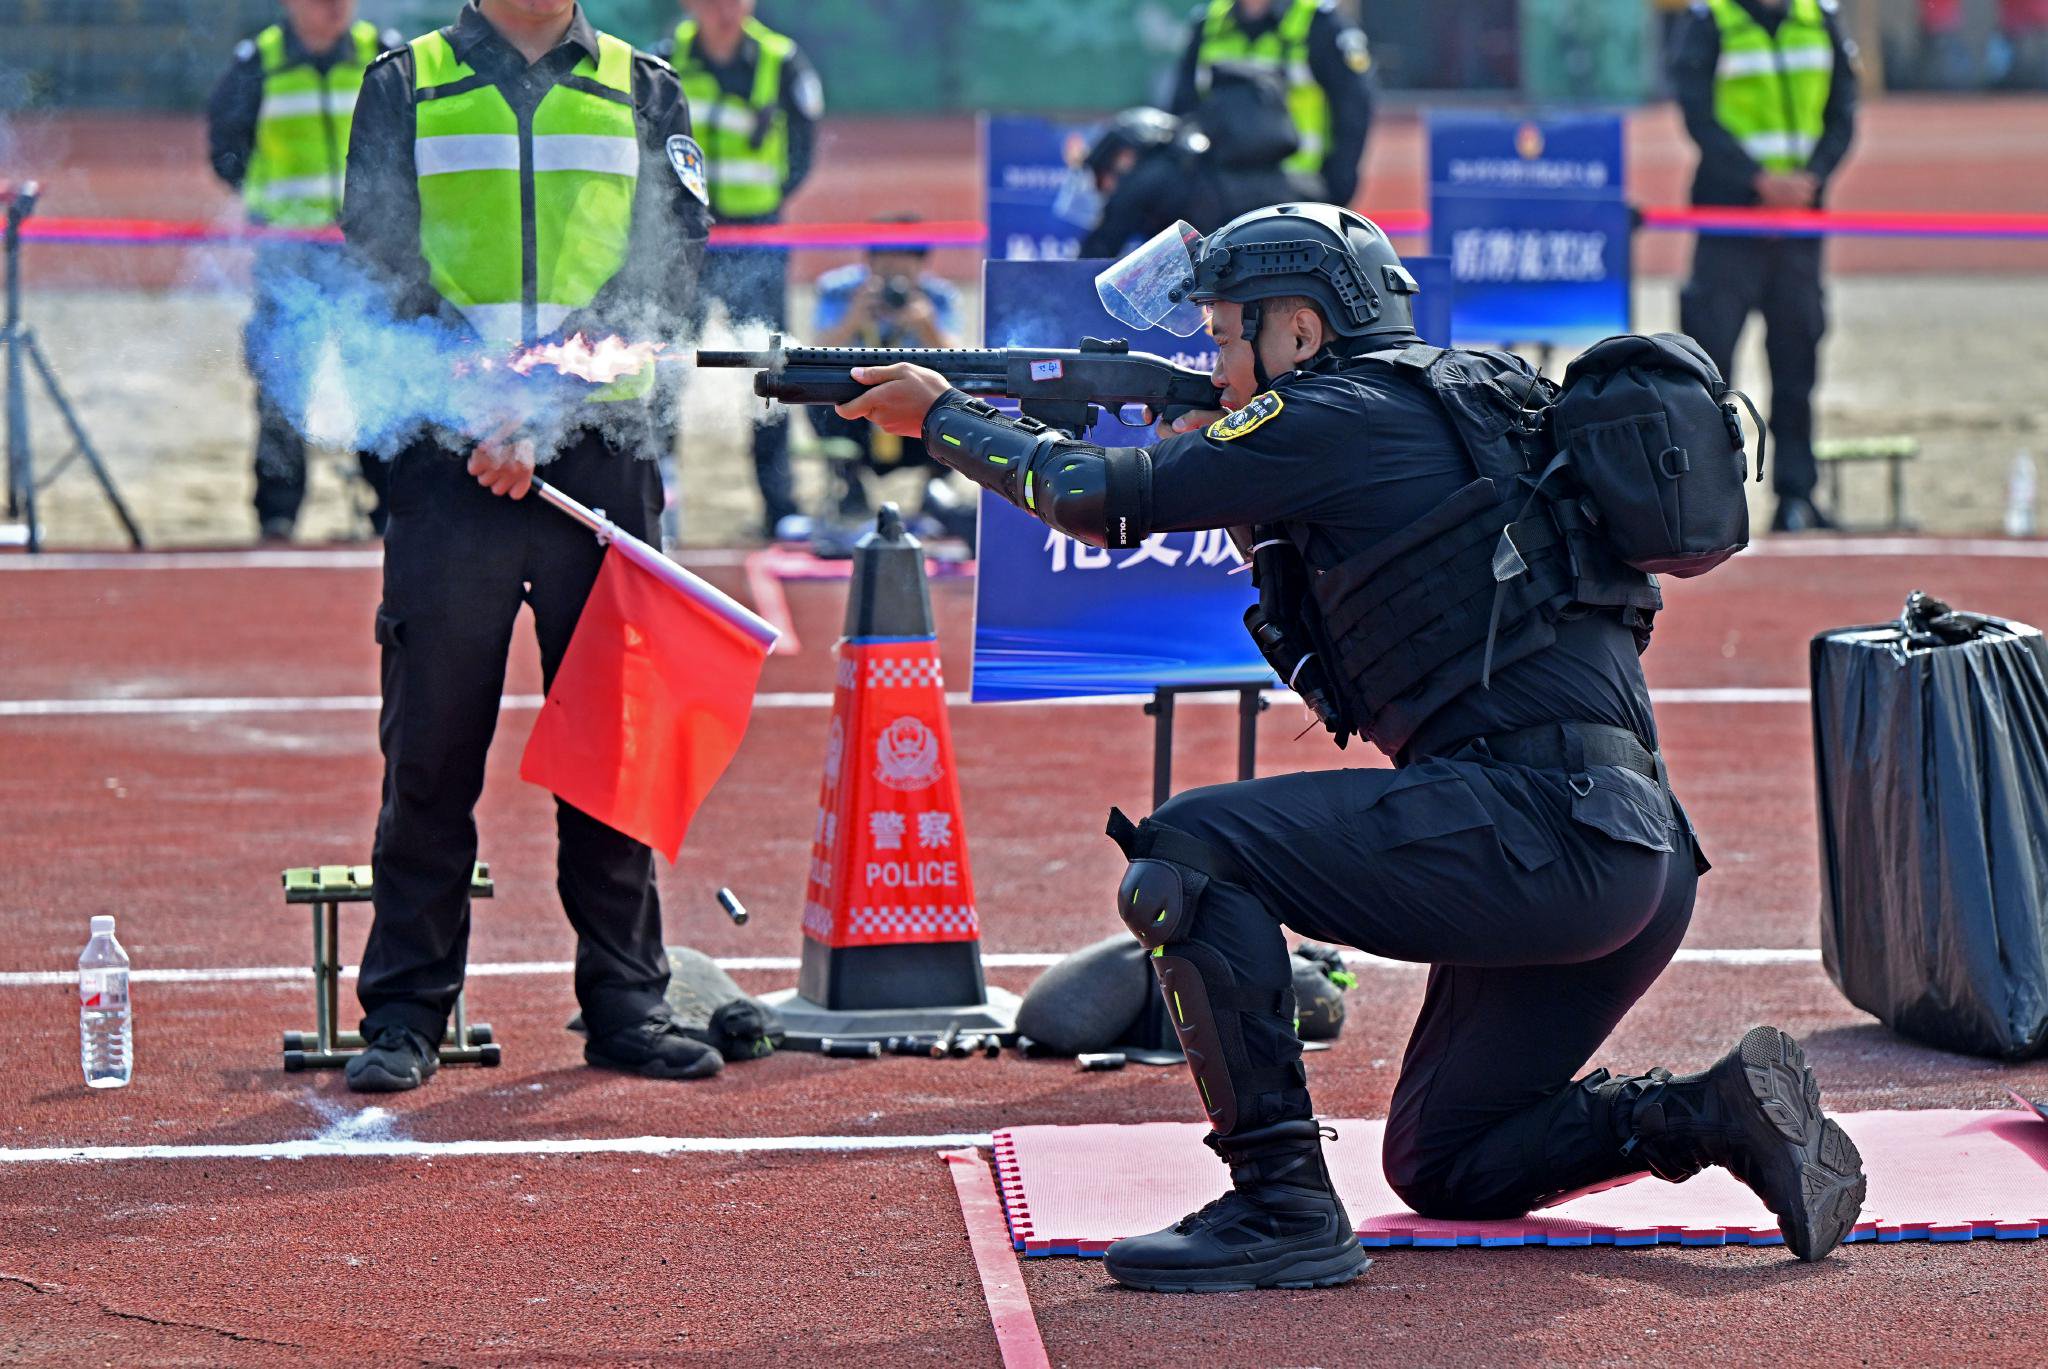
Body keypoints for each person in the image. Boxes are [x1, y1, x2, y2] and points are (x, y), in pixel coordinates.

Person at [836, 204, 1868, 1291]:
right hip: (1630, 857)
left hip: (1546, 839)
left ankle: (1277, 1204)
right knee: (1445, 1158)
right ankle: (1709, 1112)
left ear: (1299, 329)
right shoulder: (1461, 397)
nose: (1215, 361)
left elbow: (1096, 497)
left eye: (1227, 336)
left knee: (1189, 852)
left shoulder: (1335, 414)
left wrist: (945, 418)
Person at [337, 0, 714, 1090]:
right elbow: (379, 265)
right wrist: (485, 409)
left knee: (610, 741)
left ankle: (626, 1004)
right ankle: (405, 1014)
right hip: (448, 454)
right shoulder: (404, 81)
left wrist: (543, 401)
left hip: (598, 449)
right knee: (431, 748)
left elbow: (671, 265)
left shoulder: (644, 86)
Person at [207, 0, 397, 541]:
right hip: (287, 256)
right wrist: (271, 209)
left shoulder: (381, 54)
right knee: (282, 381)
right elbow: (227, 149)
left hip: (365, 255)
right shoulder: (258, 63)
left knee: (378, 375)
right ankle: (278, 512)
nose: (335, 7)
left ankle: (387, 509)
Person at [1671, 0, 1859, 532]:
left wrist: (1811, 179)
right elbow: (1698, 114)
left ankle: (1796, 497)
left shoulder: (1819, 18)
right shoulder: (1710, 21)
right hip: (1729, 220)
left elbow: (1843, 113)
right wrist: (1757, 179)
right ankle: (1704, 503)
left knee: (1798, 361)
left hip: (1800, 225)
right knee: (1709, 370)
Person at [652, 0, 823, 540]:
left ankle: (780, 506)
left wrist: (766, 202)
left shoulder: (783, 61)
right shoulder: (663, 59)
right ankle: (656, 498)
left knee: (771, 368)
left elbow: (802, 148)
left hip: (757, 239)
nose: (723, 9)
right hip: (686, 240)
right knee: (664, 364)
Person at [807, 226, 974, 543]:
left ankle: (934, 489)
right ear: (868, 263)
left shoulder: (937, 297)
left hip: (916, 415)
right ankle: (849, 483)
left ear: (921, 267)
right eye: (885, 266)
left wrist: (926, 328)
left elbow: (961, 360)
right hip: (855, 410)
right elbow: (817, 349)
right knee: (813, 387)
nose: (894, 278)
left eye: (903, 267)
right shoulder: (839, 290)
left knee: (962, 397)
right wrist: (853, 319)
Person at [1076, 66, 1317, 259]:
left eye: (1101, 179)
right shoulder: (1189, 166)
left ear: (1123, 157)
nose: (1103, 188)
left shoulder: (1147, 179)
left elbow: (1099, 249)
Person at [1168, 0, 1374, 208]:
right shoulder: (1209, 22)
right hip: (1219, 186)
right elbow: (1184, 107)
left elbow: (1353, 112)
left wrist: (1336, 190)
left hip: (1298, 190)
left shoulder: (1320, 22)